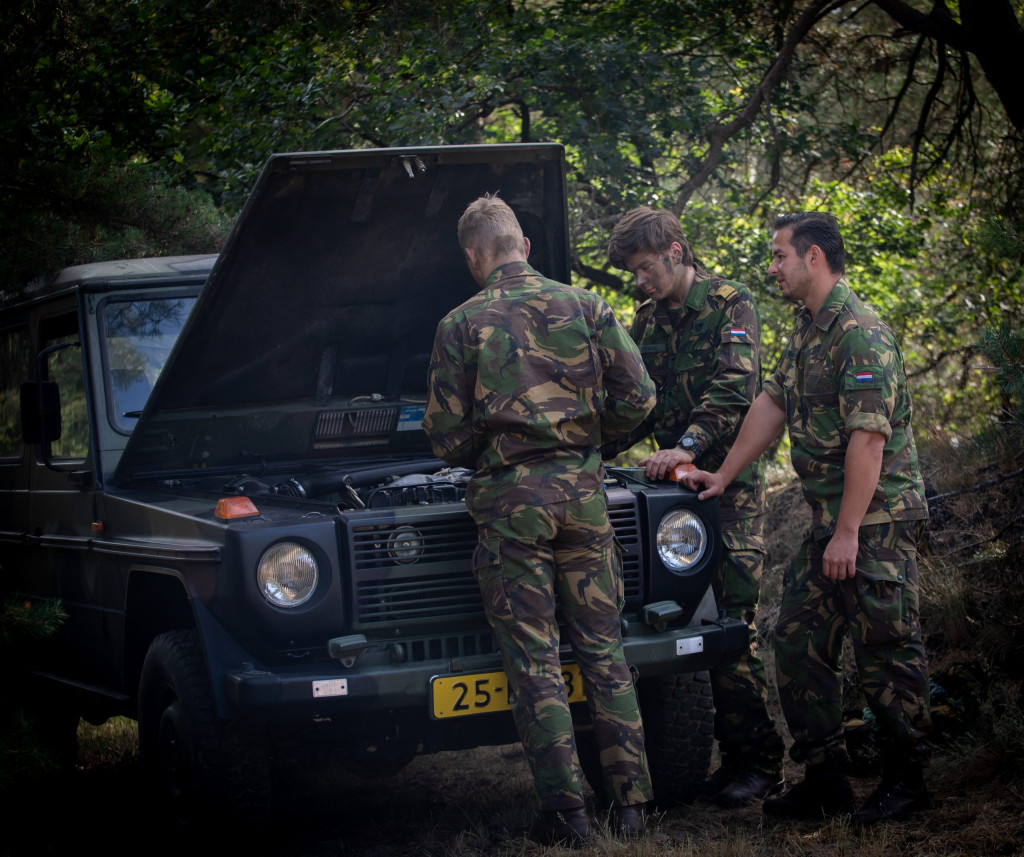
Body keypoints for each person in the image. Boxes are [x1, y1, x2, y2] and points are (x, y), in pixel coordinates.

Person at [682, 211, 932, 825]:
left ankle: (909, 781)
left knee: (886, 651)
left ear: (813, 256)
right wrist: (723, 474)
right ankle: (826, 779)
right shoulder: (806, 330)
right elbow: (770, 406)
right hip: (832, 522)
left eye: (779, 256)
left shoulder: (860, 334)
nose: (772, 268)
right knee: (794, 638)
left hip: (874, 524)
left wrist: (848, 531)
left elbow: (868, 442)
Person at [422, 194, 657, 847]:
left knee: (534, 659)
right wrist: (587, 445)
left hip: (511, 512)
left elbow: (443, 438)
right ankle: (634, 807)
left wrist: (497, 452)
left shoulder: (459, 324)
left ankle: (568, 815)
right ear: (522, 242)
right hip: (584, 498)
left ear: (475, 254)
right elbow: (640, 395)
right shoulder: (586, 305)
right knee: (605, 649)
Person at [603, 207, 786, 807]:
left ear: (677, 251)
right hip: (668, 498)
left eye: (646, 268)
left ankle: (757, 762)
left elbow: (734, 394)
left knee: (730, 626)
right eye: (632, 272)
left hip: (726, 490)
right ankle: (720, 760)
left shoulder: (732, 304)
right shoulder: (648, 318)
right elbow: (643, 404)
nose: (639, 281)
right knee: (678, 626)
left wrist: (683, 447)